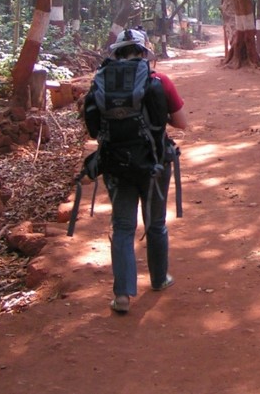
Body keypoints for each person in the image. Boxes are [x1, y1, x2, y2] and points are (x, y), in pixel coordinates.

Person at [84, 28, 187, 313]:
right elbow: (181, 123)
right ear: (143, 54)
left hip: (116, 164)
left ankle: (122, 296)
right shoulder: (159, 81)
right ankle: (159, 278)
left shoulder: (100, 82)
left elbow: (93, 129)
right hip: (153, 164)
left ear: (116, 53)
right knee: (155, 223)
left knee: (123, 227)